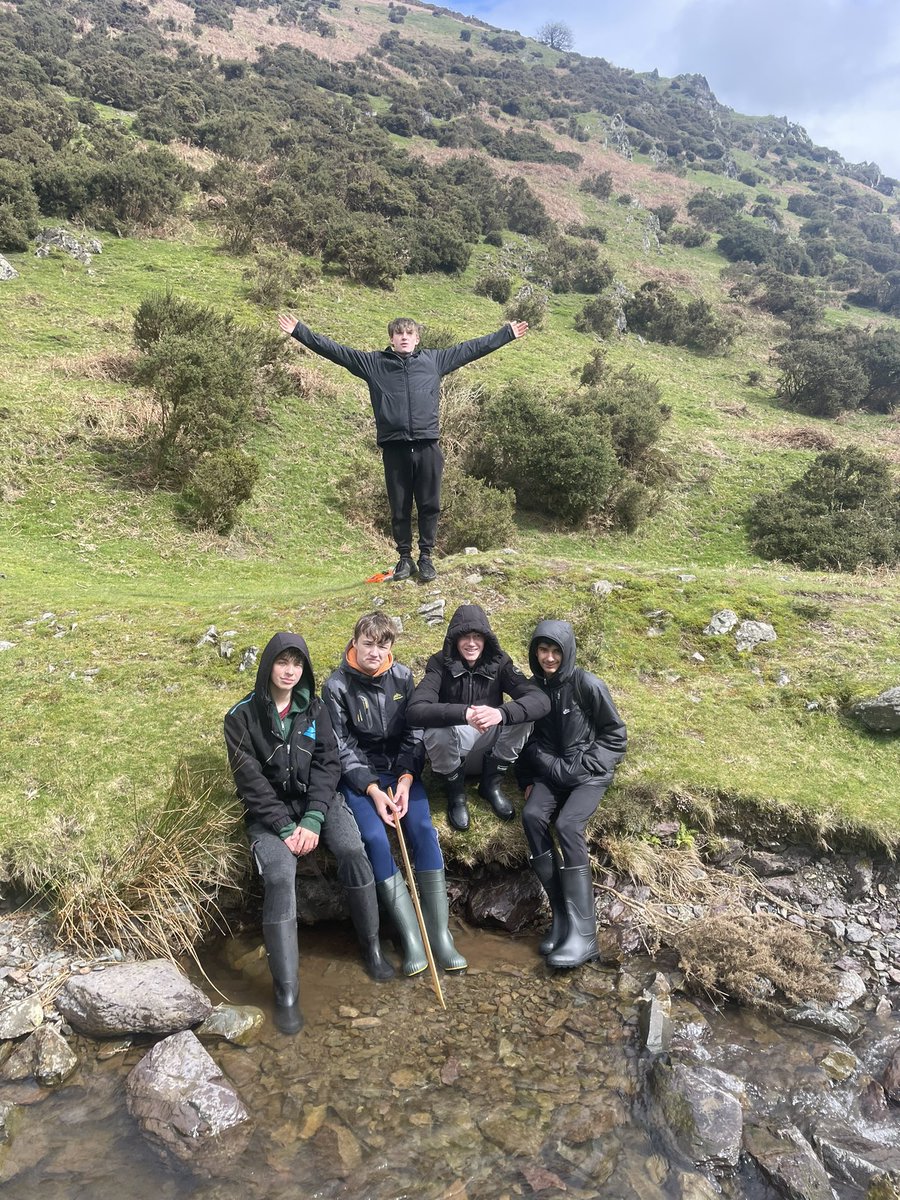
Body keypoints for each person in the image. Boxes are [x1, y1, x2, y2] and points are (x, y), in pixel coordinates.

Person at [224, 632, 394, 1036]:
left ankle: (371, 948)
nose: (289, 671)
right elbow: (249, 782)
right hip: (270, 813)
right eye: (283, 663)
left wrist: (315, 818)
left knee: (353, 850)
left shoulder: (315, 709)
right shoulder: (240, 718)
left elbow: (328, 764)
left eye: (297, 664)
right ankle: (286, 992)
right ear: (269, 667)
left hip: (318, 802)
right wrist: (285, 827)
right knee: (280, 877)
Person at [277, 312, 528, 582]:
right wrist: (299, 331)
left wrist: (507, 334)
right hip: (394, 447)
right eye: (399, 334)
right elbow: (336, 351)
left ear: (417, 339)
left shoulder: (434, 361)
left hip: (427, 444)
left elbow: (472, 349)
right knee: (400, 506)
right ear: (392, 339)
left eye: (409, 333)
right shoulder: (374, 363)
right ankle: (404, 559)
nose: (404, 337)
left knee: (430, 504)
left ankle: (427, 558)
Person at [322, 611, 466, 975]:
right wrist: (372, 789)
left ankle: (440, 937)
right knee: (373, 837)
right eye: (368, 643)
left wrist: (404, 780)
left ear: (391, 646)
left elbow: (414, 732)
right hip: (360, 777)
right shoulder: (336, 686)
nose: (374, 651)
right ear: (355, 642)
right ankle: (411, 939)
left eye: (382, 644)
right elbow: (341, 746)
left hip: (400, 771)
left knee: (422, 830)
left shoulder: (402, 676)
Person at [516, 619, 627, 969]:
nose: (549, 657)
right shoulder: (533, 689)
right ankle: (562, 918)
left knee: (567, 825)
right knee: (532, 816)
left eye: (555, 651)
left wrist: (588, 764)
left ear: (567, 652)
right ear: (535, 652)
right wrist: (530, 777)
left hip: (589, 774)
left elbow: (615, 735)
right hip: (551, 771)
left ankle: (585, 935)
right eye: (543, 650)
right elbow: (527, 740)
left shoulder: (587, 684)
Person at [407, 603, 550, 832]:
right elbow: (416, 709)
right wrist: (464, 713)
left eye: (477, 637)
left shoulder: (500, 662)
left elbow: (540, 701)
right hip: (455, 749)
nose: (471, 643)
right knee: (435, 730)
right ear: (454, 640)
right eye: (464, 637)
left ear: (486, 640)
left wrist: (501, 713)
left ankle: (491, 785)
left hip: (490, 747)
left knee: (523, 718)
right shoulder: (438, 663)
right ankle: (456, 795)